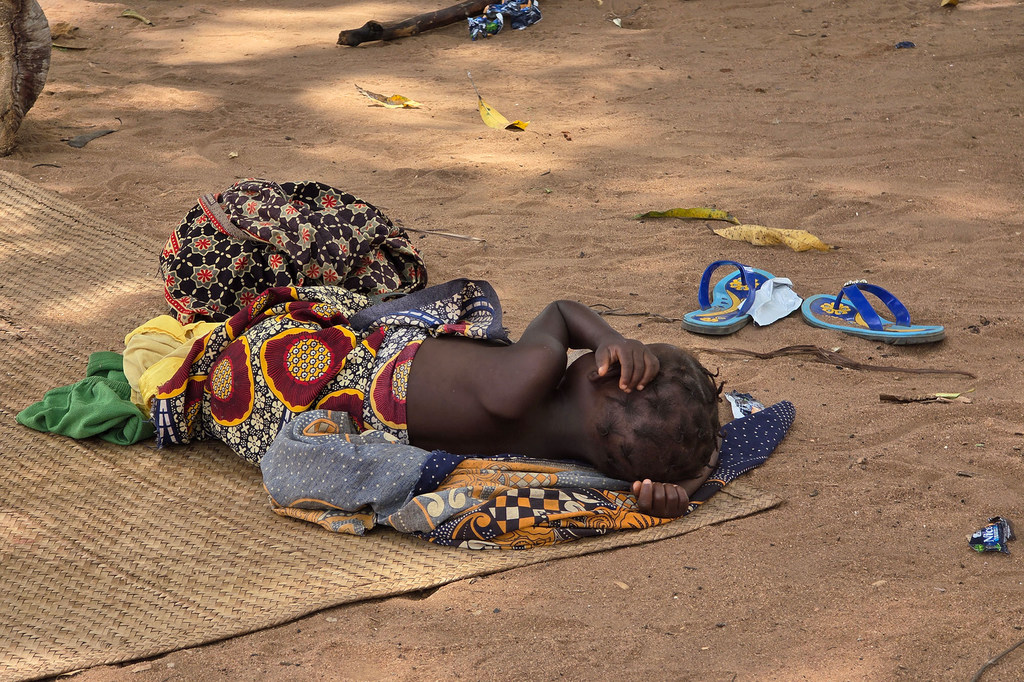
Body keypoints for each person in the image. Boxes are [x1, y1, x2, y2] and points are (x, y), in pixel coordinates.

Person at [150, 279, 723, 519]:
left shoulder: (532, 371)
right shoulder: (575, 464)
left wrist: (611, 337)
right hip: (299, 419)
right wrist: (684, 487)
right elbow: (639, 483)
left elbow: (561, 313)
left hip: (300, 377)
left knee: (326, 319)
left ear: (605, 374)